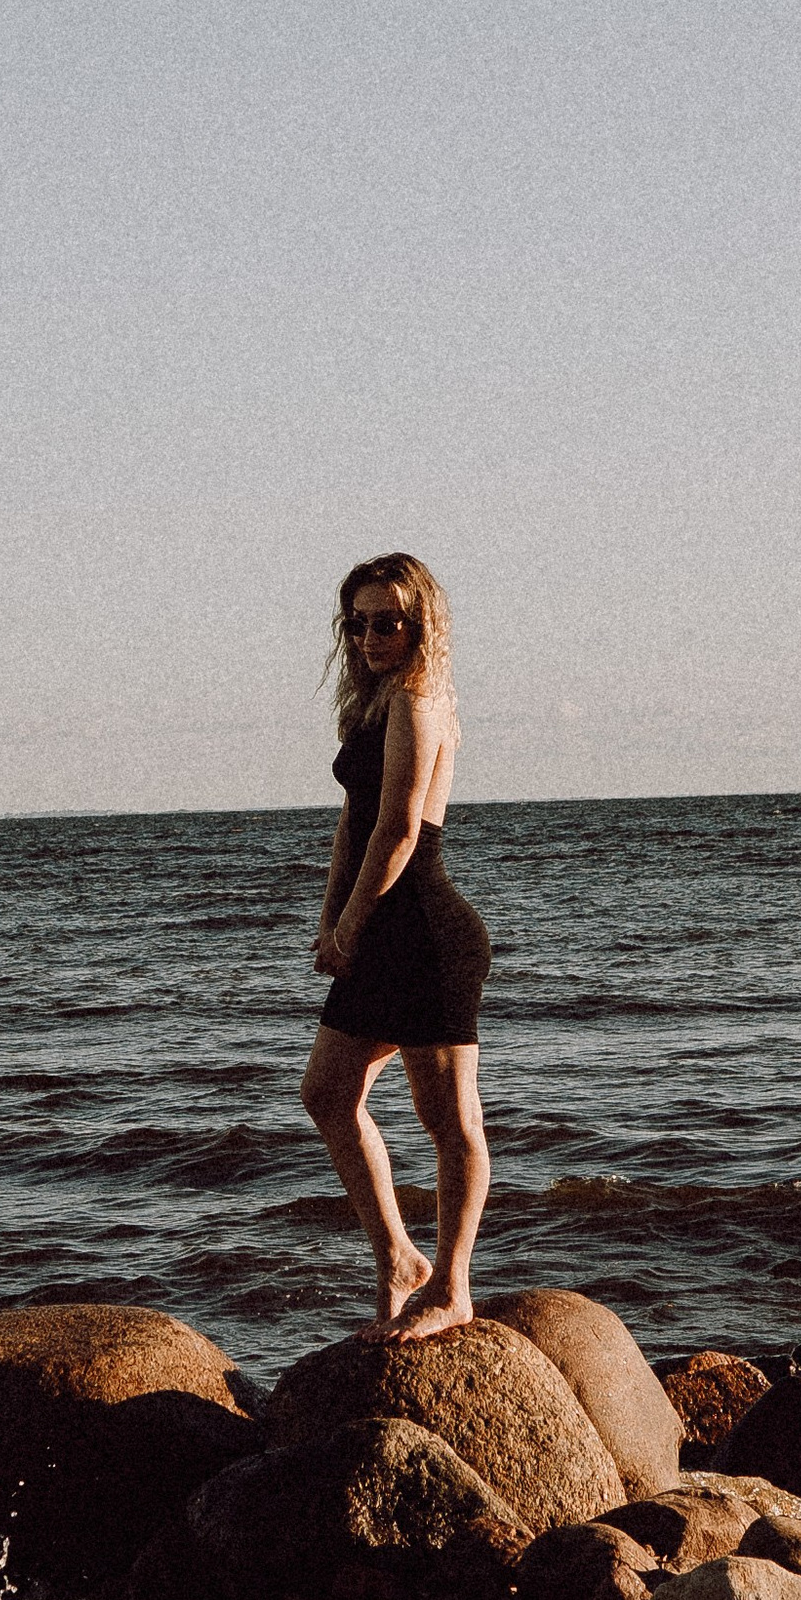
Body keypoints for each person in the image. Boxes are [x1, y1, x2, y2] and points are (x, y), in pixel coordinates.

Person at [299, 552, 493, 1331]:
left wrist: (352, 924)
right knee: (328, 1096)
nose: (371, 636)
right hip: (380, 926)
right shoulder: (373, 704)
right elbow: (353, 820)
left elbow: (401, 825)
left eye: (388, 621)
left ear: (420, 625)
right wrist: (328, 915)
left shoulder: (419, 701)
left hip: (426, 933)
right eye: (359, 622)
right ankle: (397, 1259)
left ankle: (451, 1286)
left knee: (450, 1121)